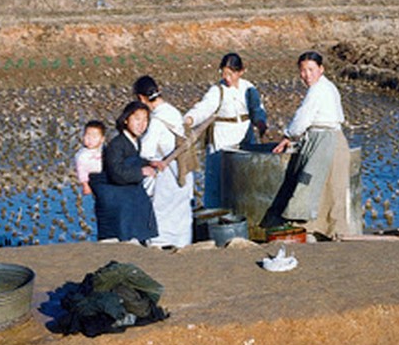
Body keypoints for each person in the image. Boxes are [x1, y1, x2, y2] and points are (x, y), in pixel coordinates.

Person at [265, 51, 352, 238]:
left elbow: (302, 118)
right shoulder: (327, 86)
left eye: (311, 70)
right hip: (332, 139)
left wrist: (288, 135)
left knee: (311, 184)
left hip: (325, 140)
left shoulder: (318, 90)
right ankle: (330, 232)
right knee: (329, 188)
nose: (307, 75)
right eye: (303, 71)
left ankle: (310, 229)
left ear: (321, 69)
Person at [183, 52, 268, 208]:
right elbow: (204, 108)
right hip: (223, 139)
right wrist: (190, 119)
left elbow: (257, 109)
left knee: (243, 179)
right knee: (217, 179)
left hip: (244, 137)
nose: (227, 78)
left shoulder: (248, 88)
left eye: (231, 74)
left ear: (240, 72)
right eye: (224, 73)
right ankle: (214, 214)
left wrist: (261, 122)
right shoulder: (217, 90)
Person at [133, 76, 193, 248]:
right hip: (183, 169)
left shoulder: (156, 122)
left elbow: (145, 152)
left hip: (167, 171)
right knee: (181, 210)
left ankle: (160, 244)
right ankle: (183, 244)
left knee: (162, 210)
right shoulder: (173, 112)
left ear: (141, 98)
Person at [93, 101, 161, 243]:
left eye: (145, 120)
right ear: (125, 120)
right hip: (117, 199)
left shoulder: (136, 142)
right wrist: (141, 171)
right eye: (137, 119)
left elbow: (132, 161)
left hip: (129, 197)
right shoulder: (117, 144)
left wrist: (149, 163)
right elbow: (116, 173)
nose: (141, 124)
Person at [73, 119, 106, 198]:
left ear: (102, 139)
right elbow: (81, 172)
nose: (90, 139)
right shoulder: (82, 155)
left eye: (94, 137)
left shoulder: (105, 149)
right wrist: (85, 185)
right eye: (87, 136)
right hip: (93, 180)